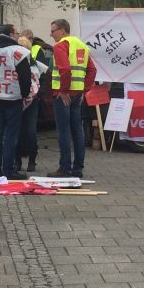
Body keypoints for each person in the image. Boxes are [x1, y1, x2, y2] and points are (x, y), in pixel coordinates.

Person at [48, 19, 96, 178]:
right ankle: (78, 168)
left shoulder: (61, 46)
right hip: (77, 95)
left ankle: (65, 168)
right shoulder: (81, 45)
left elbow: (65, 70)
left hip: (63, 96)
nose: (51, 34)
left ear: (62, 31)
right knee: (77, 130)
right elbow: (92, 70)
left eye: (53, 30)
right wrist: (83, 90)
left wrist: (63, 91)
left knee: (63, 131)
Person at [0, 24, 32, 181]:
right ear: (12, 34)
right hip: (13, 99)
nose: (18, 36)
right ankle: (8, 170)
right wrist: (25, 94)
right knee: (11, 136)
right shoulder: (19, 52)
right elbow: (25, 77)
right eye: (17, 33)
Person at [17, 35, 48, 173]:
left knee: (25, 131)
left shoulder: (28, 63)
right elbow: (42, 82)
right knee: (27, 131)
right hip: (29, 100)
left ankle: (24, 161)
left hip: (25, 100)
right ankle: (26, 161)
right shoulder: (34, 64)